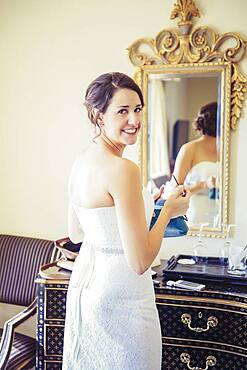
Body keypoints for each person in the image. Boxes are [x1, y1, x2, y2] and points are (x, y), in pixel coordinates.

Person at [62, 72, 190, 370]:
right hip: (124, 297)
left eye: (138, 109)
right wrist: (169, 210)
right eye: (122, 111)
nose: (134, 119)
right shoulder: (124, 169)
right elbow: (140, 261)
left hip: (87, 289)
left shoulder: (82, 160)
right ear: (99, 116)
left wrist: (149, 203)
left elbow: (77, 232)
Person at [171, 101, 220, 227]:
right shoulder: (189, 149)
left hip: (223, 215)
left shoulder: (230, 151)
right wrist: (203, 185)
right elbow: (174, 191)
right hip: (198, 214)